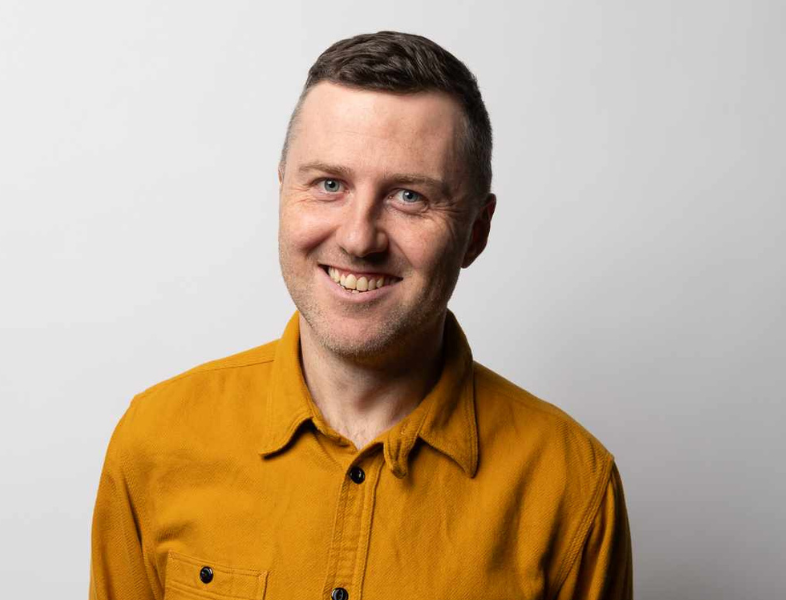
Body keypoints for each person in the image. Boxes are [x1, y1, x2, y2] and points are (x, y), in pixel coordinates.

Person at [89, 31, 633, 600]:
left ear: (476, 232)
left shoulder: (573, 485)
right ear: (283, 193)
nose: (358, 239)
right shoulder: (155, 440)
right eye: (329, 184)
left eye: (410, 197)